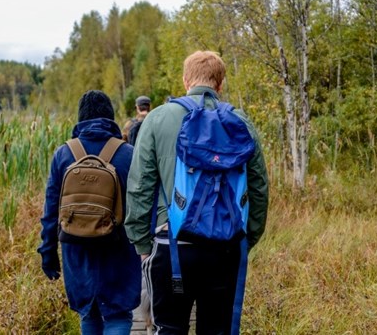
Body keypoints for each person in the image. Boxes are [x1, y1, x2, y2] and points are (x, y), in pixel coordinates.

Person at [124, 51, 269, 334]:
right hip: (226, 246)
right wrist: (247, 239)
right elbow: (259, 187)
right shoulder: (241, 122)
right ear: (220, 84)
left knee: (169, 329)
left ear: (185, 80)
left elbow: (139, 186)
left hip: (171, 245)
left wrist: (141, 244)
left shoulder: (157, 119)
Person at [38, 90, 141, 334]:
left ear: (80, 117)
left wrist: (48, 253)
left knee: (89, 312)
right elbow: (140, 206)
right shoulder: (128, 154)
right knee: (118, 315)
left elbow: (51, 210)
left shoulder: (63, 154)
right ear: (111, 117)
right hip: (118, 249)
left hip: (77, 250)